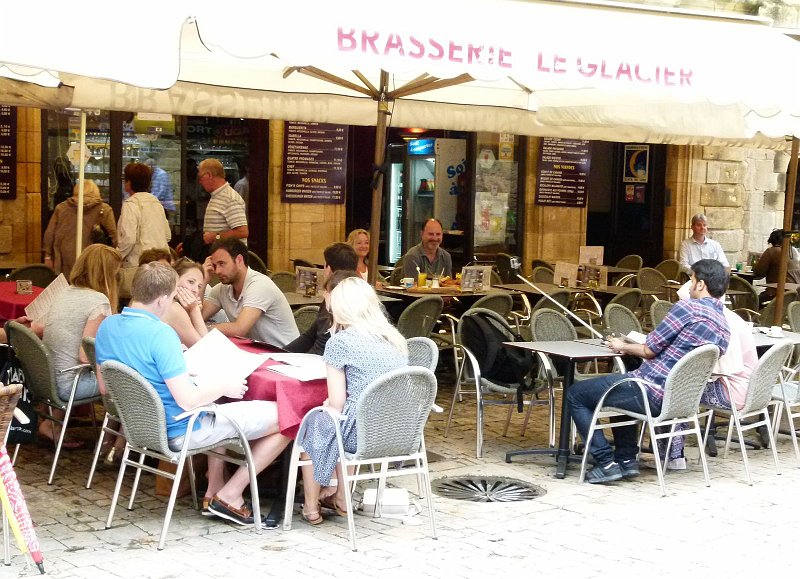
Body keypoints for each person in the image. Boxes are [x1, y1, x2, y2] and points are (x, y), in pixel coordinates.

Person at [95, 262, 292, 526]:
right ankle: (231, 494)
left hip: (140, 428)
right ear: (164, 299)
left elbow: (106, 388)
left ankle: (214, 489)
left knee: (213, 400)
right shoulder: (161, 334)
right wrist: (225, 386)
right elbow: (187, 400)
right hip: (182, 429)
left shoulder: (108, 326)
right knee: (286, 417)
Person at [566, 259, 731, 484]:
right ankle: (626, 460)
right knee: (620, 389)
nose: (689, 285)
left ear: (701, 284)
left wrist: (621, 345)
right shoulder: (724, 325)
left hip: (651, 391)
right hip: (680, 400)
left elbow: (649, 349)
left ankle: (605, 462)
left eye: (691, 280)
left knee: (575, 394)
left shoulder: (688, 308)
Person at [299, 275, 409, 524]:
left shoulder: (340, 342)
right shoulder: (395, 340)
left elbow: (337, 404)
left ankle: (310, 506)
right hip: (397, 430)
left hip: (360, 433)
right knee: (343, 419)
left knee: (317, 426)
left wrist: (325, 407)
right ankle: (342, 496)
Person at [35, 244, 122, 445]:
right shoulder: (98, 302)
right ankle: (114, 445)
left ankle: (51, 424)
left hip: (47, 379)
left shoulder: (66, 292)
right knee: (128, 383)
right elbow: (86, 355)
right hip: (68, 384)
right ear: (106, 274)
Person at [201, 238, 298, 347]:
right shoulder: (222, 289)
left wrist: (205, 328)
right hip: (257, 353)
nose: (217, 271)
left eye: (222, 264)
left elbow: (240, 329)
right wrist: (203, 279)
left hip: (285, 354)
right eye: (214, 265)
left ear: (239, 260)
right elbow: (199, 316)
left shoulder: (259, 285)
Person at [284, 243, 358, 355]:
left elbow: (321, 348)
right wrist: (279, 354)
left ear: (328, 269)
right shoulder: (355, 296)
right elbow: (310, 336)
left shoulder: (335, 299)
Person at [43, 180, 118, 277]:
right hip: (94, 261)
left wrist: (48, 256)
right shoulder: (104, 209)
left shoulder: (61, 208)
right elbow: (113, 238)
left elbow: (49, 234)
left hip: (65, 262)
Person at [117, 162, 172, 268]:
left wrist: (116, 257)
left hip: (138, 263)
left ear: (129, 183)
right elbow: (167, 235)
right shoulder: (156, 203)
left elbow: (128, 239)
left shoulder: (131, 204)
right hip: (161, 263)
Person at [198, 158, 248, 246]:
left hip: (229, 257)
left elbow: (242, 232)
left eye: (200, 177)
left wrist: (215, 237)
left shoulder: (229, 198)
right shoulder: (217, 196)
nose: (200, 182)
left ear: (209, 175)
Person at [161, 257, 208, 348]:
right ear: (174, 279)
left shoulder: (167, 302)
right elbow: (204, 348)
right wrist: (195, 310)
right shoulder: (173, 308)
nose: (195, 290)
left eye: (199, 286)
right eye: (191, 282)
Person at [752, 228, 800, 306]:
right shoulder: (794, 251)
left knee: (752, 301)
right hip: (795, 296)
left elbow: (759, 272)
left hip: (777, 295)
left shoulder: (772, 251)